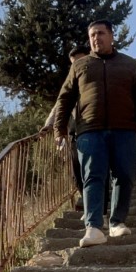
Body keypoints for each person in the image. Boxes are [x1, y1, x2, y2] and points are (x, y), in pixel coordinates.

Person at [53, 20, 136, 247]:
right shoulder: (80, 66)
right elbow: (65, 98)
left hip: (125, 129)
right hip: (89, 131)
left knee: (125, 175)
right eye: (92, 35)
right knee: (93, 176)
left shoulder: (128, 64)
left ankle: (117, 222)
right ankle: (93, 227)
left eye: (101, 33)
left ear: (111, 36)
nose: (96, 38)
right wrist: (60, 129)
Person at [41, 45, 90, 208]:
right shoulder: (72, 82)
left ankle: (97, 204)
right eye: (73, 63)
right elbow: (59, 105)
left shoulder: (99, 75)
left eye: (80, 61)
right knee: (77, 171)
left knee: (94, 169)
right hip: (77, 132)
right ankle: (87, 201)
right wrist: (49, 125)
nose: (77, 66)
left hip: (98, 129)